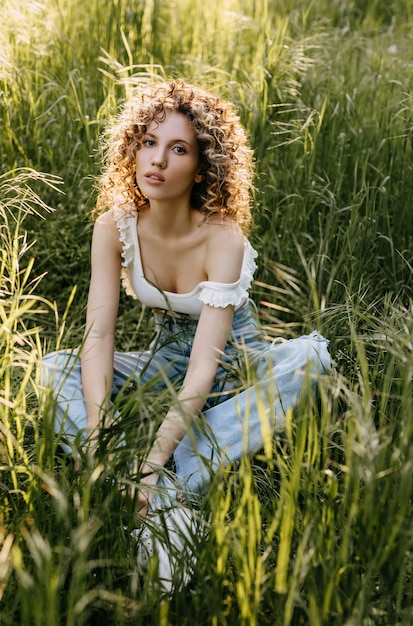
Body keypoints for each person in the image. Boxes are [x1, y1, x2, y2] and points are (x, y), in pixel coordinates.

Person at [41, 79, 330, 589]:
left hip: (235, 364)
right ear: (132, 149)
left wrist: (155, 459)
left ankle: (172, 475)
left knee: (312, 359)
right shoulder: (114, 227)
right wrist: (97, 432)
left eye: (178, 149)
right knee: (49, 370)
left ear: (202, 167)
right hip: (165, 362)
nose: (158, 160)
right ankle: (118, 465)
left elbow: (205, 366)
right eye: (149, 143)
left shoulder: (223, 236)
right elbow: (99, 336)